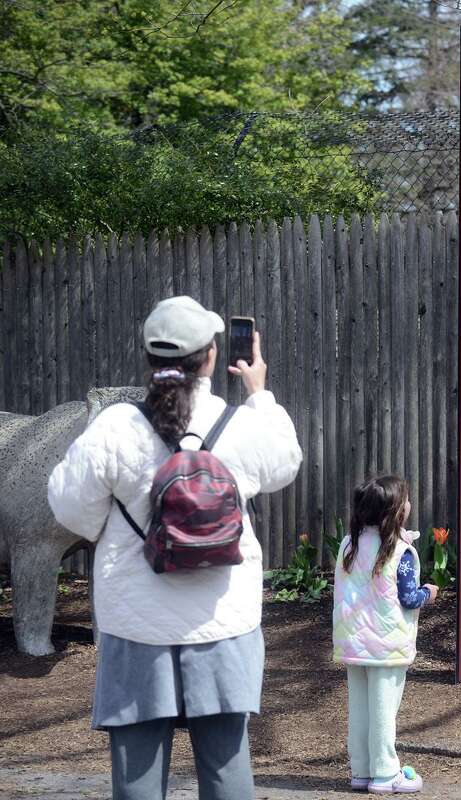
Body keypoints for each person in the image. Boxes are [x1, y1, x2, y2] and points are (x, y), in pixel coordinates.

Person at [47, 295, 303, 799]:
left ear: (149, 358)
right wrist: (259, 394)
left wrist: (116, 524)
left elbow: (69, 507)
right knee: (226, 767)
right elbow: (285, 462)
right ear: (211, 356)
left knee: (137, 772)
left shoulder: (115, 428)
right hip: (223, 620)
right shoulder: (241, 425)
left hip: (135, 624)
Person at [333, 475, 439, 794]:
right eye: (405, 499)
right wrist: (428, 593)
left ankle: (361, 771)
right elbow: (408, 598)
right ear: (395, 511)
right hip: (387, 647)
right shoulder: (400, 551)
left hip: (354, 643)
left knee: (360, 709)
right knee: (383, 711)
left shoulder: (348, 545)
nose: (409, 504)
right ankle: (386, 773)